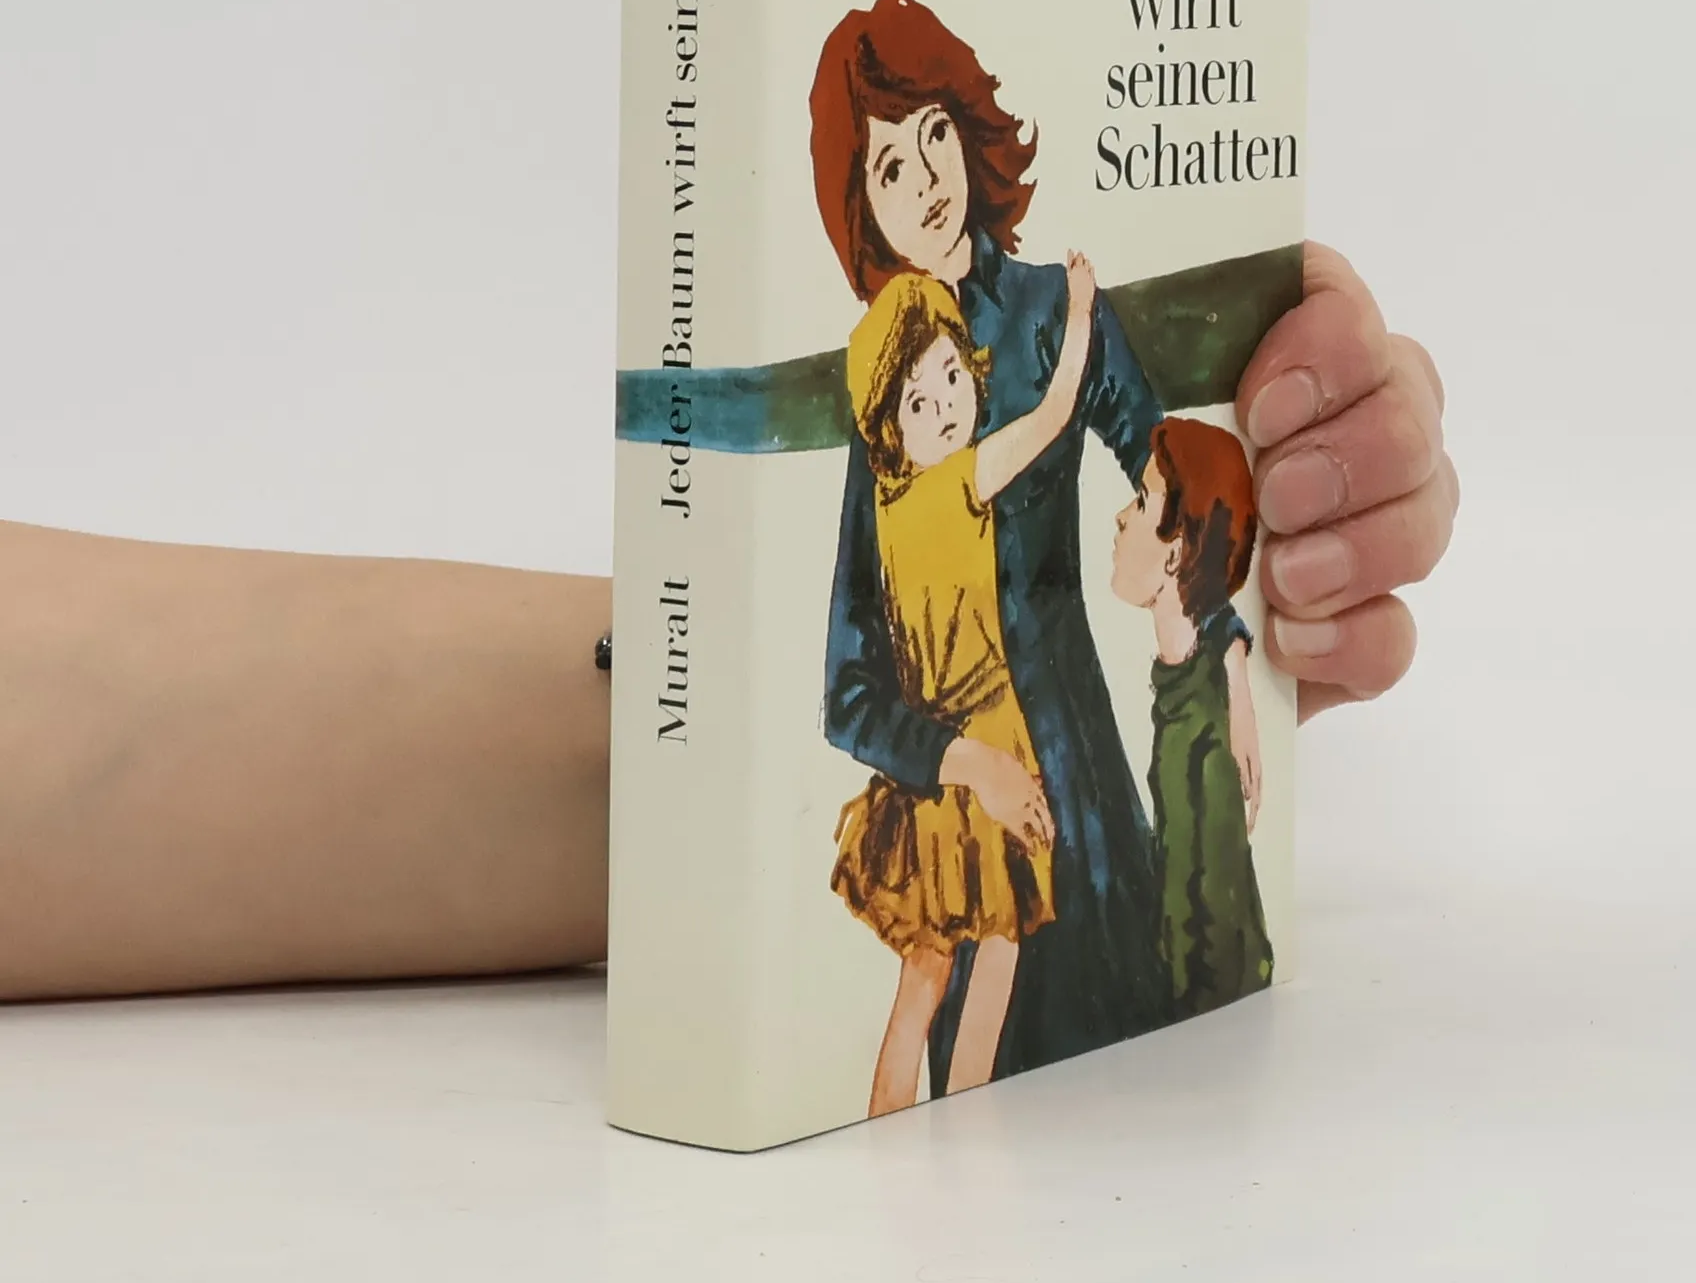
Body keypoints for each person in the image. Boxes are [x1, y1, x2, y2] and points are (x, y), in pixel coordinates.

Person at [0, 254, 1456, 1005]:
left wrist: (1208, 642)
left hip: (1011, 771)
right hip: (971, 772)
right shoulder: (925, 480)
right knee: (948, 982)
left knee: (960, 982)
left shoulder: (943, 466)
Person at [830, 258, 1098, 1113]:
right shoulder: (962, 478)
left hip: (940, 757)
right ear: (890, 429)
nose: (945, 403)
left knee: (929, 971)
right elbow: (1054, 413)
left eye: (950, 374)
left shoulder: (889, 506)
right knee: (991, 956)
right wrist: (1080, 312)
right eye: (918, 401)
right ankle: (957, 1119)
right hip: (983, 740)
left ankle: (892, 1120)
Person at [1111, 418, 1272, 1018]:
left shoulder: (1202, 729)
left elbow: (1221, 942)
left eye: (1140, 501)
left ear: (1176, 552)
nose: (1120, 518)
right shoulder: (1186, 686)